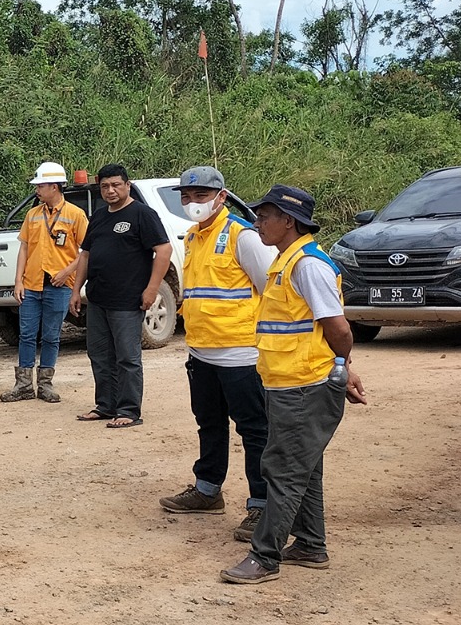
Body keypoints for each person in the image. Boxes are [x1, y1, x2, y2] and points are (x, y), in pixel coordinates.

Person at [221, 185, 367, 584]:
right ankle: (309, 544)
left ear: (289, 221)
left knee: (284, 470)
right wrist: (341, 368)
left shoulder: (307, 265)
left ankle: (264, 556)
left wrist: (341, 366)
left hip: (304, 385)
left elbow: (339, 329)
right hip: (289, 383)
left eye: (265, 216)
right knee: (305, 466)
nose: (257, 222)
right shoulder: (287, 262)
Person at [156, 166, 275, 540]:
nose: (192, 203)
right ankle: (207, 490)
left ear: (221, 198)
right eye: (186, 197)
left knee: (254, 430)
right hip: (202, 350)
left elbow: (269, 289)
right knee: (208, 423)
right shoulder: (192, 237)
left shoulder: (244, 236)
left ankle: (261, 505)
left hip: (241, 353)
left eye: (201, 196)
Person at [68, 164, 171, 428]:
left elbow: (163, 250)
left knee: (127, 357)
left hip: (127, 300)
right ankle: (106, 405)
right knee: (100, 355)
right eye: (105, 186)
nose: (110, 190)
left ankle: (128, 410)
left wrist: (151, 289)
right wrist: (76, 290)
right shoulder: (100, 216)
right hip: (98, 299)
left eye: (116, 185)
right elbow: (86, 255)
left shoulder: (142, 214)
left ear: (127, 185)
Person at [1, 162, 88, 403]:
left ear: (54, 186)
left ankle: (46, 384)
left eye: (41, 185)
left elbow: (86, 250)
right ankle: (24, 385)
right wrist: (18, 281)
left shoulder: (75, 215)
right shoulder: (33, 215)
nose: (37, 190)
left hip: (59, 286)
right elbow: (24, 248)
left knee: (51, 336)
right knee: (27, 335)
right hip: (32, 284)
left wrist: (66, 272)